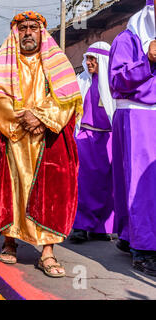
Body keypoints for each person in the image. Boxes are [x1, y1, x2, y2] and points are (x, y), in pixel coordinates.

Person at [0, 11, 83, 278]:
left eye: (33, 27)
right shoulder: (2, 61)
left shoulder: (57, 61)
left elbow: (67, 98)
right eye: (22, 27)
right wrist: (18, 121)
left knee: (49, 194)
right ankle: (10, 241)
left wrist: (42, 118)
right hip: (12, 139)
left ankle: (47, 251)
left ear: (41, 32)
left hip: (47, 138)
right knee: (10, 191)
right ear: (16, 32)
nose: (27, 32)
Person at [108, 0, 156, 277]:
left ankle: (129, 236)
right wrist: (146, 60)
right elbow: (117, 80)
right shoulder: (128, 38)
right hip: (138, 114)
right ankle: (146, 250)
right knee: (143, 184)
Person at [70, 42, 116, 243]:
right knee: (84, 183)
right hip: (86, 138)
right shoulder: (81, 80)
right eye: (87, 59)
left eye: (92, 59)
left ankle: (101, 227)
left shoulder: (113, 82)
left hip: (109, 137)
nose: (88, 63)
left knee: (108, 185)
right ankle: (80, 225)